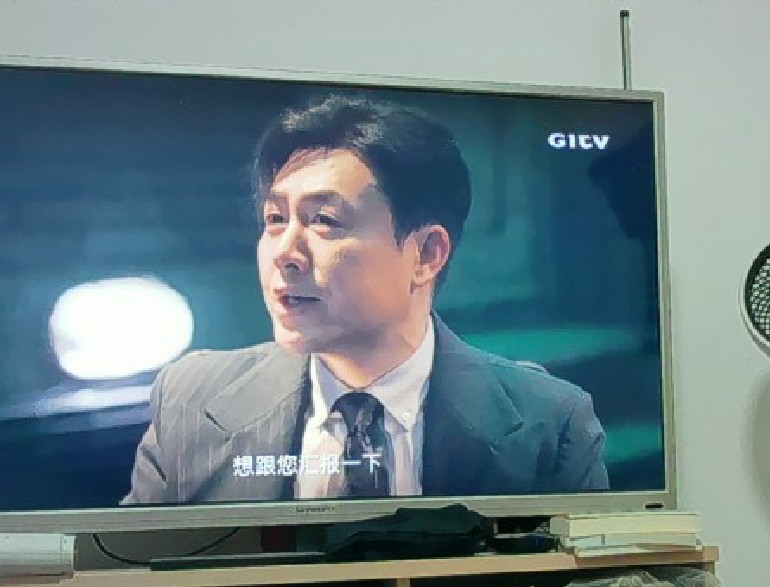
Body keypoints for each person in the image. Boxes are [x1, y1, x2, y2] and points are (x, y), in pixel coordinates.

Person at [123, 94, 608, 505]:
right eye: (275, 219)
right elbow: (124, 571)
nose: (284, 253)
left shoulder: (551, 423)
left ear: (427, 254)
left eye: (324, 221)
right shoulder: (190, 400)